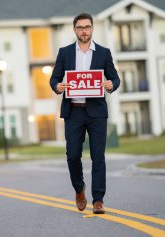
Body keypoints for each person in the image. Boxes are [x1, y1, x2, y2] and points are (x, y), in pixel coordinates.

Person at [49, 12, 120, 214]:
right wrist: (58, 87)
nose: (84, 31)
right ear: (74, 30)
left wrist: (110, 84)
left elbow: (115, 78)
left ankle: (98, 200)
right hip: (73, 112)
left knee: (98, 157)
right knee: (72, 156)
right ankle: (79, 189)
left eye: (87, 27)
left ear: (92, 28)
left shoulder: (103, 53)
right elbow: (54, 79)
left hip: (96, 112)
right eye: (80, 28)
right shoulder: (65, 53)